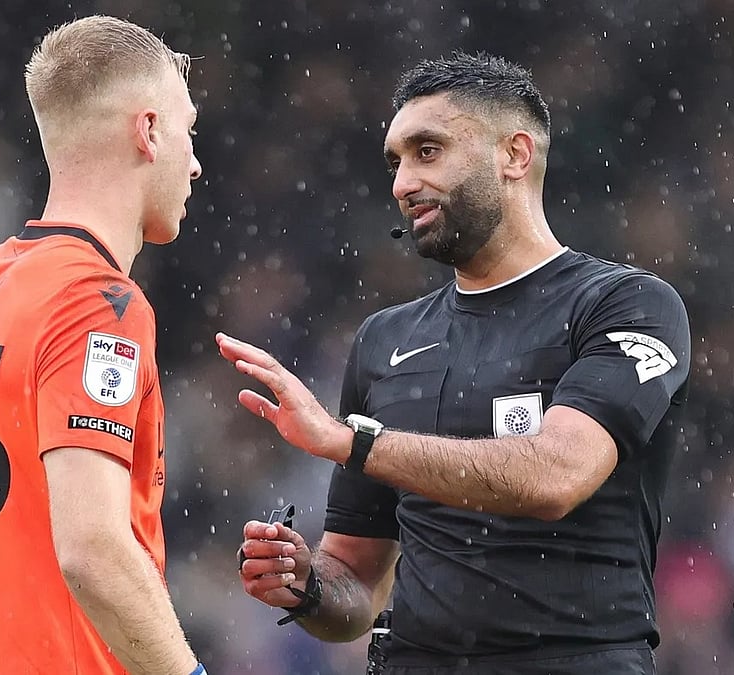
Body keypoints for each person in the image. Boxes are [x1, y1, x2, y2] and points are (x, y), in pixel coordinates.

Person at [223, 52, 691, 675]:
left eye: (428, 151)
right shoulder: (384, 340)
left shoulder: (627, 305)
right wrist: (307, 584)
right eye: (395, 162)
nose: (401, 184)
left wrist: (354, 442)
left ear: (515, 155)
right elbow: (357, 588)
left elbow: (558, 477)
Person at [0, 16, 207, 675]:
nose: (196, 162)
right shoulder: (97, 301)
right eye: (188, 131)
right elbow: (92, 546)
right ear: (148, 131)